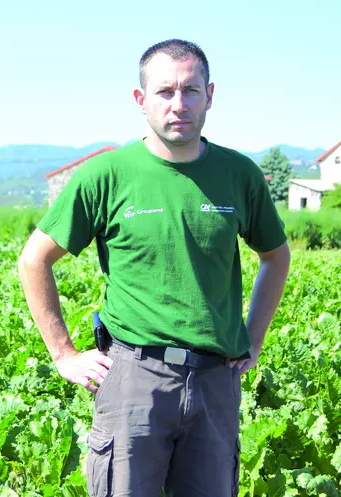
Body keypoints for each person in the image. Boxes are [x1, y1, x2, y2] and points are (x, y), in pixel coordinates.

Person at [17, 39, 291, 497]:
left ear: (210, 95)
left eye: (191, 90)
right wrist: (63, 354)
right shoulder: (106, 175)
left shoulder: (239, 174)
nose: (179, 104)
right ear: (141, 100)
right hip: (134, 378)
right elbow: (34, 260)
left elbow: (276, 256)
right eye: (165, 92)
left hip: (215, 381)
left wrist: (253, 339)